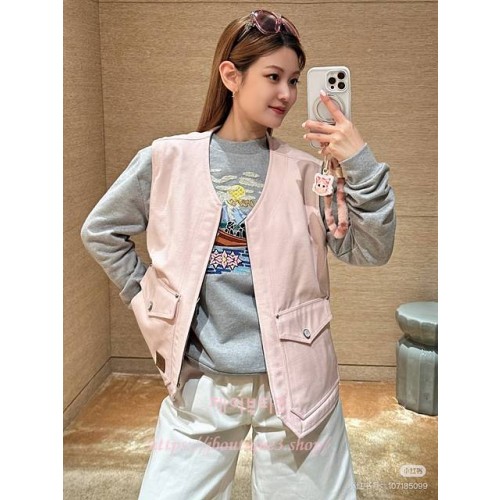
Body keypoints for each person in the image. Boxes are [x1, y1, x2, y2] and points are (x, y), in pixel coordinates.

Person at [80, 9, 395, 500]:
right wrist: (148, 300)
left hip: (297, 381)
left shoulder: (308, 172)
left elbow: (371, 250)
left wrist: (359, 162)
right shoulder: (166, 160)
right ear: (231, 75)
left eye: (294, 80)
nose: (287, 93)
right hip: (201, 383)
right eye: (273, 77)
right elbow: (101, 231)